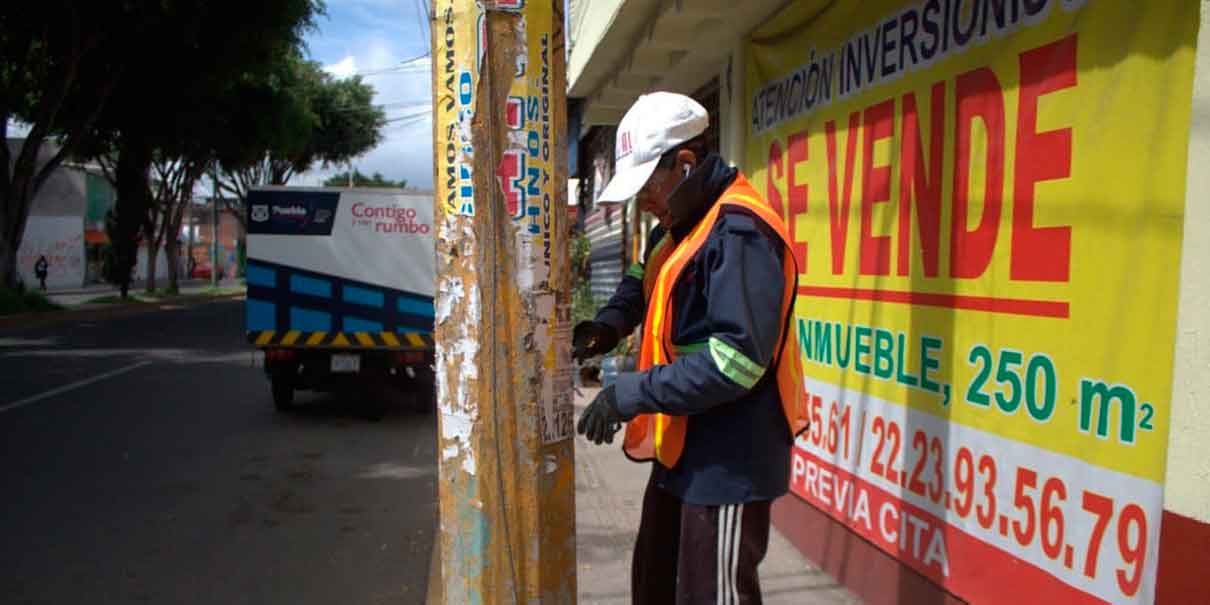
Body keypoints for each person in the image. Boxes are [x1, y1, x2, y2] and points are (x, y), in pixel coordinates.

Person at [574, 92, 808, 605]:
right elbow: (643, 280)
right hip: (685, 444)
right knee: (655, 581)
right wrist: (607, 327)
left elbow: (736, 363)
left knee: (713, 595)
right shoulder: (678, 226)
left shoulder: (739, 232)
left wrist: (628, 394)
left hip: (729, 458)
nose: (644, 202)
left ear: (685, 163)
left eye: (648, 186)